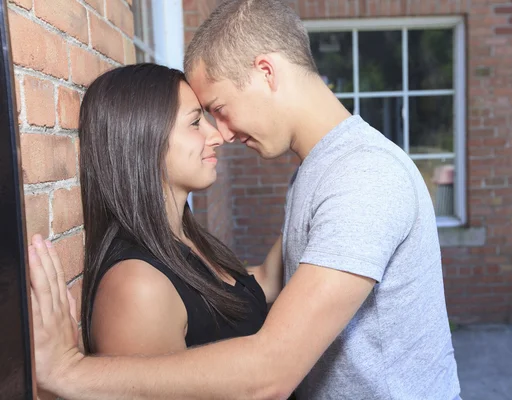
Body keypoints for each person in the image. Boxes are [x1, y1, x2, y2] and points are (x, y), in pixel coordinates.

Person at [29, 0, 461, 398]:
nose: (225, 134)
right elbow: (272, 280)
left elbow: (271, 370)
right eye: (201, 119)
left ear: (266, 72)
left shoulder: (363, 177)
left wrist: (69, 372)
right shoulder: (320, 171)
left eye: (217, 108)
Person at [69, 63, 283, 358]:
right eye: (196, 123)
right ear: (145, 141)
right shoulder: (138, 286)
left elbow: (262, 283)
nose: (217, 137)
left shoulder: (183, 240)